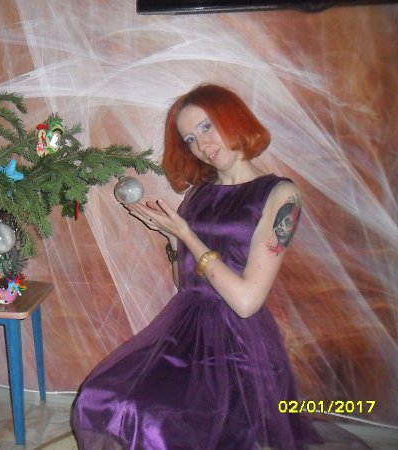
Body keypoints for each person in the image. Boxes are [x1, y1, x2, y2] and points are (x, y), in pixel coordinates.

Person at [71, 84, 325, 449]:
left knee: (152, 418)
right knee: (101, 395)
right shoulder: (199, 192)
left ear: (233, 117)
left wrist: (186, 235)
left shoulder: (280, 195)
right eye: (190, 138)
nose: (202, 144)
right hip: (186, 328)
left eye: (206, 126)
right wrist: (171, 238)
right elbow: (186, 284)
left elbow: (246, 302)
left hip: (237, 344)